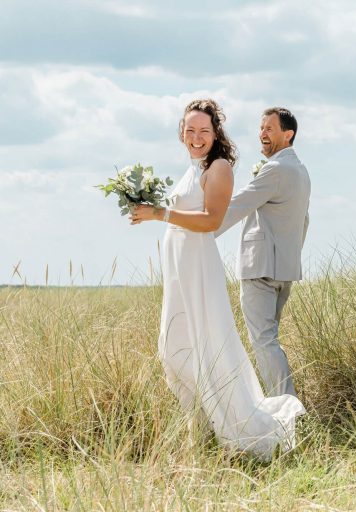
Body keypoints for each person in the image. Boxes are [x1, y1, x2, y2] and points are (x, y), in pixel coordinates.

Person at [131, 99, 304, 460]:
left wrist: (160, 214)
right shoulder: (192, 168)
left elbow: (211, 221)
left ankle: (238, 424)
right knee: (175, 346)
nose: (196, 137)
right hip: (180, 268)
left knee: (209, 342)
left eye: (204, 131)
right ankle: (200, 425)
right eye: (190, 130)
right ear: (182, 131)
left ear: (216, 134)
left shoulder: (219, 167)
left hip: (198, 266)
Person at [214, 107, 311, 398]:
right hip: (284, 270)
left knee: (264, 342)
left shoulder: (276, 169)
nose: (262, 134)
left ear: (288, 134)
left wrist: (199, 232)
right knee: (269, 340)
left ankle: (287, 411)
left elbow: (237, 205)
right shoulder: (301, 172)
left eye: (269, 128)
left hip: (261, 269)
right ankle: (279, 404)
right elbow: (303, 220)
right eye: (261, 128)